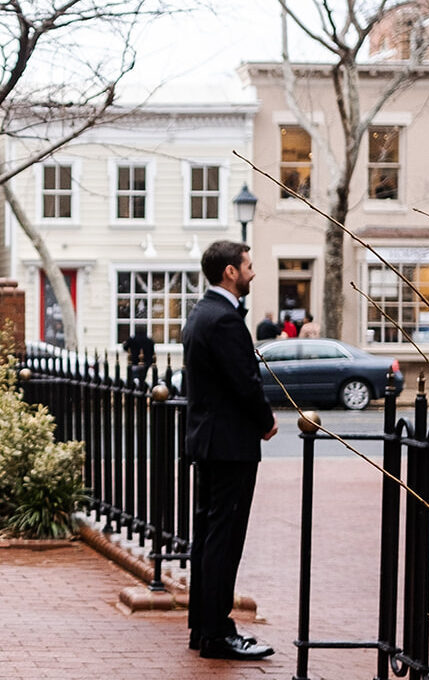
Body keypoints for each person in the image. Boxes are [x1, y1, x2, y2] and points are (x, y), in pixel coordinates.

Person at [181, 240, 277, 661]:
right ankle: (218, 633)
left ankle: (203, 628)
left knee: (207, 537)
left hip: (209, 441)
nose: (252, 273)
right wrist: (266, 421)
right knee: (224, 539)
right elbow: (244, 382)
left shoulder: (200, 314)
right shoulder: (224, 319)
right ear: (230, 272)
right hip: (230, 445)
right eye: (248, 266)